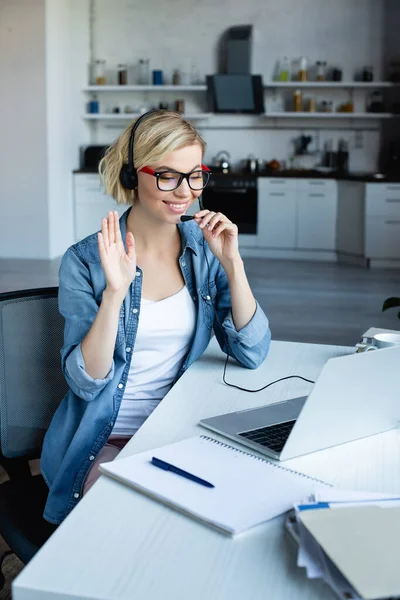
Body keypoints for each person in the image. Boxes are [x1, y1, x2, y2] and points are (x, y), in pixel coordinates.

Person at [41, 110, 271, 524]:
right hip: (102, 440)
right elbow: (84, 382)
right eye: (167, 175)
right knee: (128, 521)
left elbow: (252, 352)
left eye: (195, 175)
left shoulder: (204, 250)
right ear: (133, 176)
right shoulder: (84, 262)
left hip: (178, 432)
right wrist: (114, 294)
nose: (185, 192)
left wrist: (233, 265)